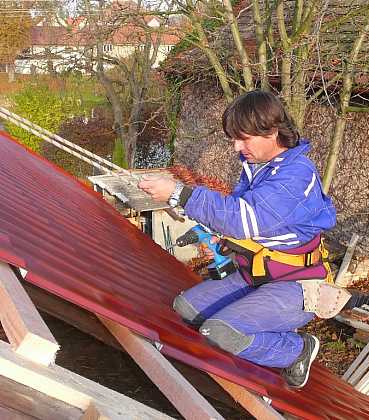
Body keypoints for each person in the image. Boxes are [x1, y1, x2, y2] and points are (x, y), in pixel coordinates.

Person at [139, 90, 336, 388]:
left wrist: (180, 193)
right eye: (234, 138)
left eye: (243, 138)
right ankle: (265, 324)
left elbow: (244, 219)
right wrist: (230, 242)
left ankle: (297, 349)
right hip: (259, 272)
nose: (236, 146)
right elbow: (256, 229)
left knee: (219, 331)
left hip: (296, 284)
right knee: (187, 309)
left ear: (271, 131)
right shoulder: (260, 168)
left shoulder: (295, 175)